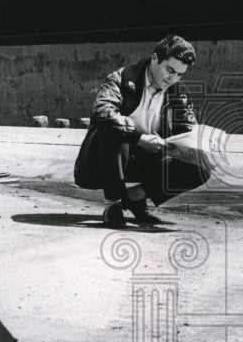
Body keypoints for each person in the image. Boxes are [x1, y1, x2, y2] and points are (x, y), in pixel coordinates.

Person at [74, 35, 211, 227]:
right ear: (155, 58)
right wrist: (138, 138)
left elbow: (187, 130)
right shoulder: (121, 79)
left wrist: (198, 146)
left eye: (180, 74)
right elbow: (102, 112)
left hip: (152, 158)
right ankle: (112, 204)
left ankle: (134, 198)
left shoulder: (178, 94)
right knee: (113, 131)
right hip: (110, 159)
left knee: (200, 168)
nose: (173, 79)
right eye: (170, 70)